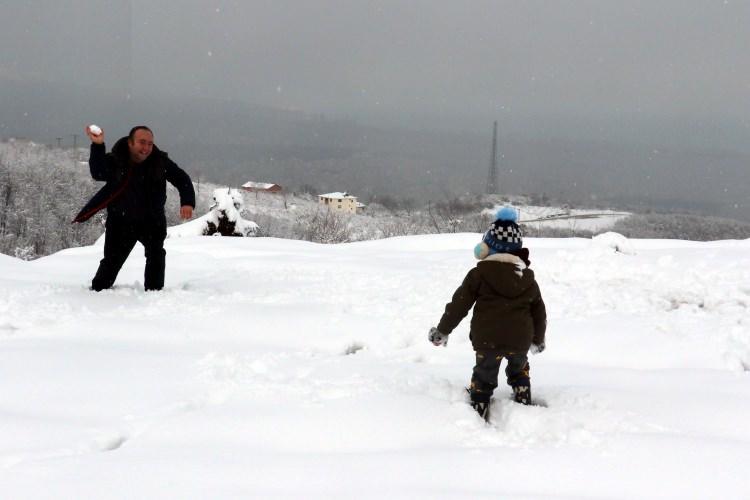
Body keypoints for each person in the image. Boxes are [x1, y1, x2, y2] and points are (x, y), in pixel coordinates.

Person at [428, 206, 546, 420]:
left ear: (487, 247)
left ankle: (480, 404)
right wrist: (538, 339)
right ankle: (522, 394)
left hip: (487, 339)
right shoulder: (528, 278)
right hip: (520, 340)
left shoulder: (479, 274)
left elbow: (459, 305)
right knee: (519, 370)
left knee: (484, 373)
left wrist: (443, 330)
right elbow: (539, 312)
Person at [73, 125, 195, 291]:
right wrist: (98, 145)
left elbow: (182, 178)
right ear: (130, 143)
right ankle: (98, 292)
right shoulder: (117, 159)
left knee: (156, 254)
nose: (146, 148)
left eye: (150, 144)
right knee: (112, 261)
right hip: (120, 221)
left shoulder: (159, 161)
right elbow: (98, 172)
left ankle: (154, 293)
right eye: (142, 143)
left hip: (152, 220)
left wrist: (187, 202)